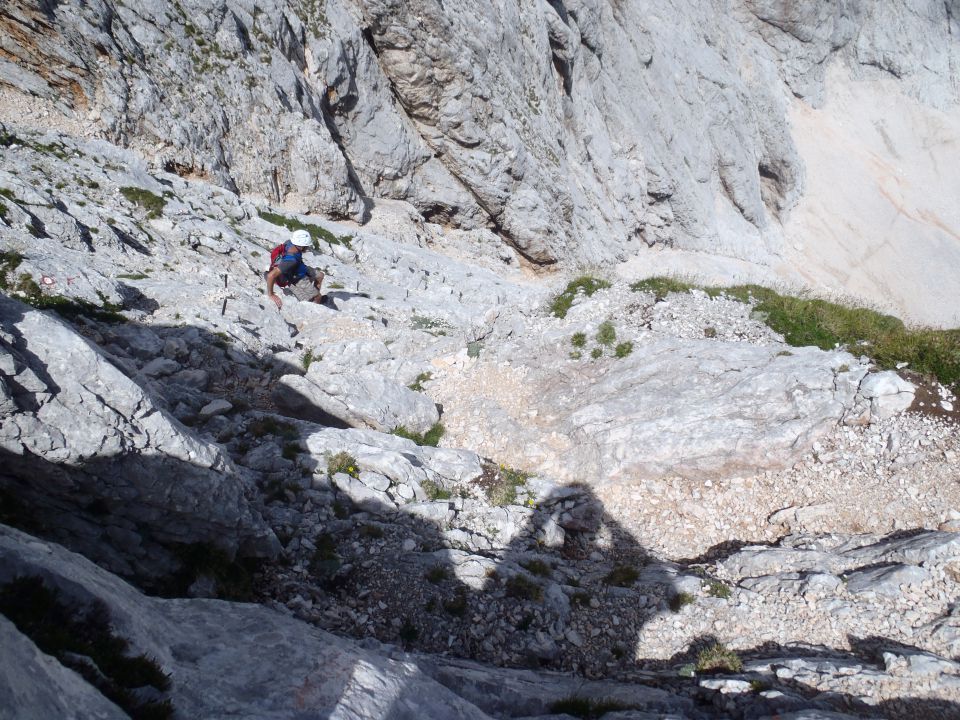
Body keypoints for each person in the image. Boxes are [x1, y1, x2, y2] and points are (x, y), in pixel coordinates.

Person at [266, 229, 325, 309]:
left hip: (299, 267)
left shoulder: (290, 242)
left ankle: (313, 293)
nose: (307, 247)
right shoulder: (291, 260)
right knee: (318, 297)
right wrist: (271, 294)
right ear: (301, 246)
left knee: (320, 275)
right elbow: (271, 275)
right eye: (306, 245)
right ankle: (314, 304)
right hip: (296, 277)